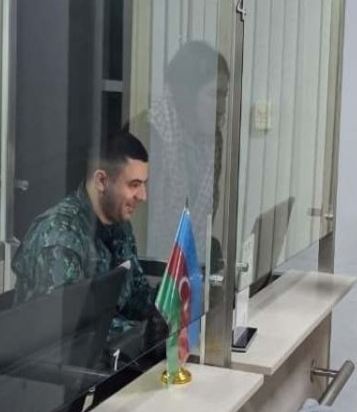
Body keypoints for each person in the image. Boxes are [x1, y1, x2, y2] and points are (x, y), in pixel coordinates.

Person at [12, 130, 163, 344]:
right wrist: (142, 334)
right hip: (50, 360)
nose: (143, 196)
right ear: (101, 181)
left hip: (101, 356)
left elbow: (135, 295)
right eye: (134, 185)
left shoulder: (119, 224)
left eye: (144, 184)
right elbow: (70, 327)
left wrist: (164, 306)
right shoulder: (60, 234)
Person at [131, 40, 230, 261]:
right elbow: (135, 224)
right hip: (149, 264)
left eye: (225, 95)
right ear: (186, 94)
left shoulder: (214, 140)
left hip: (189, 264)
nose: (222, 107)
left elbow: (207, 212)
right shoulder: (147, 134)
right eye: (215, 94)